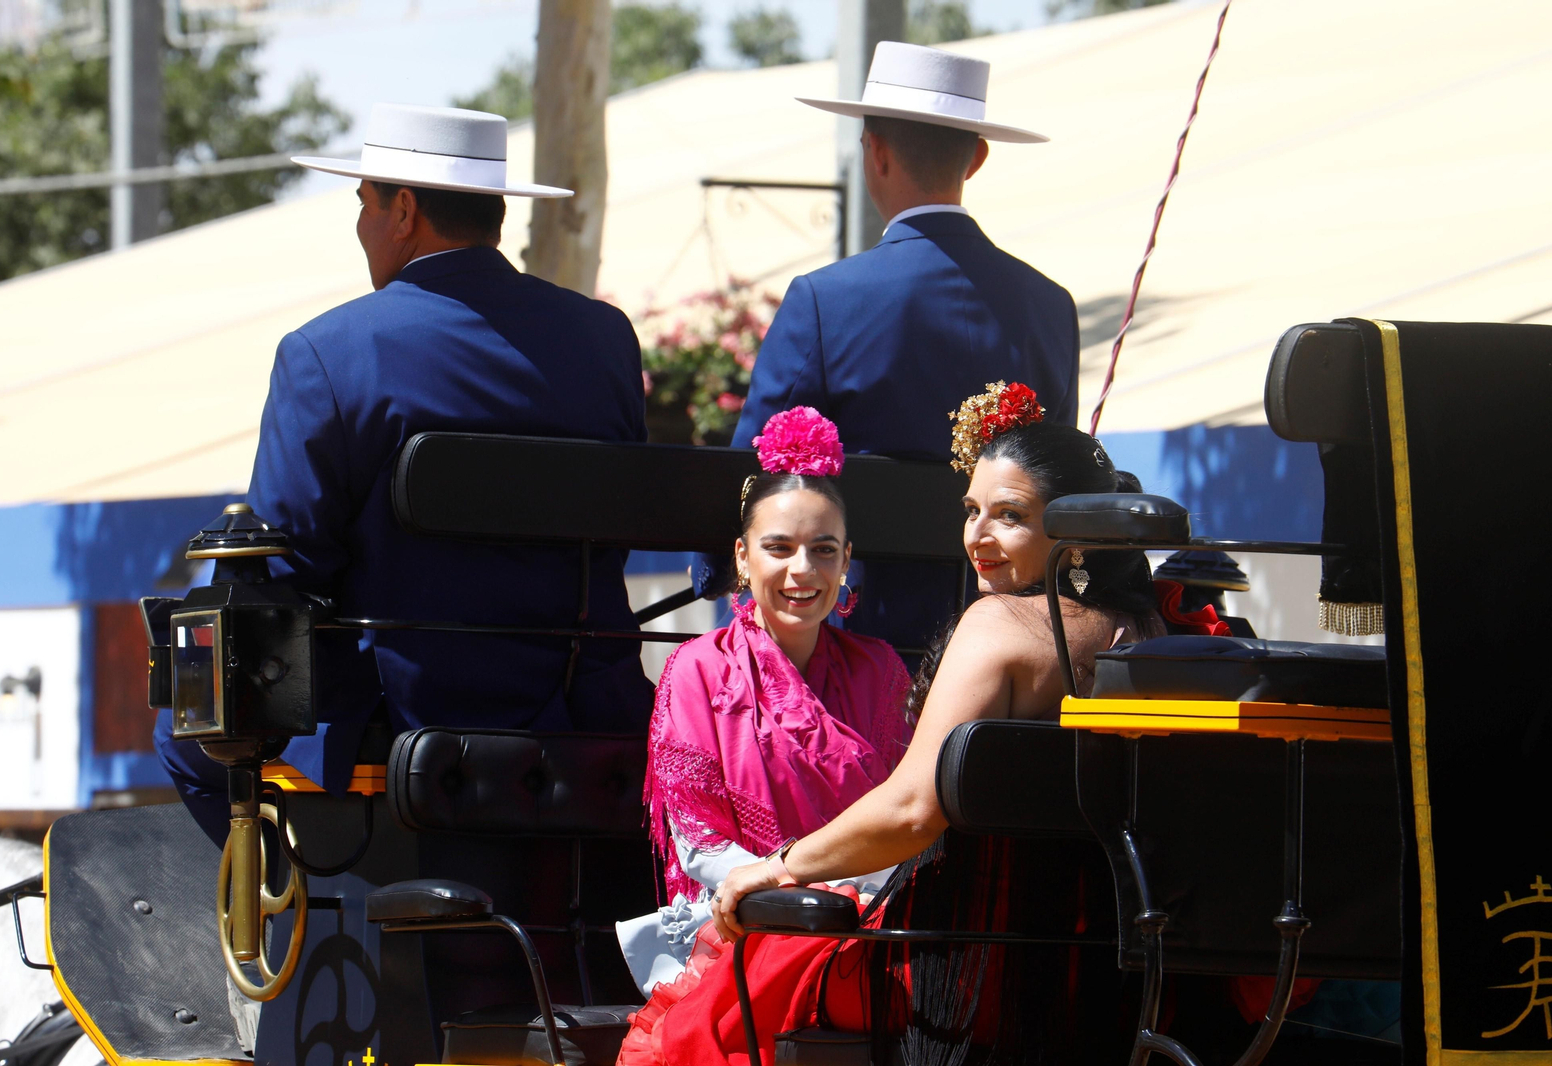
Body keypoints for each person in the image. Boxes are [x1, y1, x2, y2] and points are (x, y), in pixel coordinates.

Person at [154, 104, 653, 845]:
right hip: (590, 714)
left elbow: (288, 563)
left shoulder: (328, 352)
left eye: (363, 204)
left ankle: (278, 940)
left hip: (406, 724)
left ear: (404, 211)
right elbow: (620, 523)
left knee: (182, 728)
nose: (360, 227)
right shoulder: (605, 338)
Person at [666, 383, 1166, 1065]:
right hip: (1092, 970)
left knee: (728, 996)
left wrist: (779, 869)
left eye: (1009, 516)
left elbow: (909, 811)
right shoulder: (1141, 629)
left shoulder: (997, 625)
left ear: (1077, 532)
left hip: (958, 969)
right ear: (743, 555)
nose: (978, 537)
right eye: (971, 511)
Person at [698, 41, 1081, 653]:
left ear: (873, 152)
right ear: (977, 159)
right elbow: (1060, 472)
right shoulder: (1051, 306)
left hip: (852, 640)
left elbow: (755, 467)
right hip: (1003, 634)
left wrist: (714, 566)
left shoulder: (824, 300)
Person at [614, 408, 914, 1066]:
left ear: (847, 563)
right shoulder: (696, 669)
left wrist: (842, 896)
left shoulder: (882, 670)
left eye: (823, 550)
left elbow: (903, 820)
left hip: (863, 918)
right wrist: (789, 893)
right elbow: (697, 844)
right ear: (743, 558)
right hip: (742, 916)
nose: (802, 570)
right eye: (779, 548)